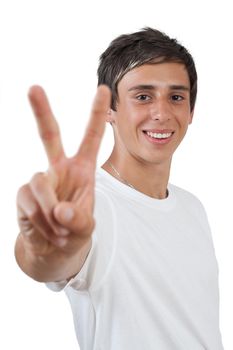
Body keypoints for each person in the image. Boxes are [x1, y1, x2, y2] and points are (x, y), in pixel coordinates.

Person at [15, 27, 224, 349]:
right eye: (143, 96)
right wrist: (47, 248)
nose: (161, 113)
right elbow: (49, 262)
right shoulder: (92, 205)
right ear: (110, 109)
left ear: (191, 111)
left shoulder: (193, 206)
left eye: (176, 97)